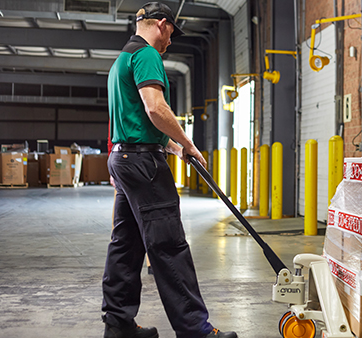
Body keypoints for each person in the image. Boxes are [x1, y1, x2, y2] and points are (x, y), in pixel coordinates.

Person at [101, 2, 237, 338]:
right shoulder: (147, 55)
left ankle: (118, 325)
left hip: (125, 159)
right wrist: (188, 143)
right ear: (162, 24)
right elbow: (154, 107)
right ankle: (195, 330)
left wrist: (173, 147)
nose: (170, 42)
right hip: (144, 165)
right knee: (169, 245)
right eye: (172, 34)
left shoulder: (122, 59)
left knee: (126, 244)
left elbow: (134, 117)